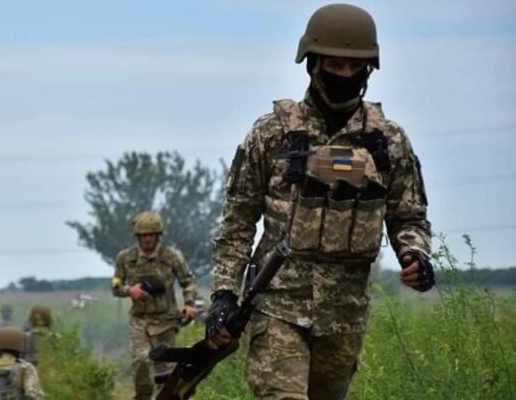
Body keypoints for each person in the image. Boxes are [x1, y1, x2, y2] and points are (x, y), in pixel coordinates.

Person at [205, 4, 435, 399]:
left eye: (355, 66)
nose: (345, 74)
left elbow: (408, 215)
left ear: (369, 69)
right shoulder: (271, 135)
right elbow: (237, 223)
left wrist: (415, 255)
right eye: (335, 64)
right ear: (313, 64)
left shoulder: (388, 142)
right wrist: (224, 294)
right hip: (277, 306)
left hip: (344, 315)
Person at [111, 211, 199, 400]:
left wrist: (190, 303)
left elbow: (188, 281)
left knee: (165, 367)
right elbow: (115, 285)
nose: (148, 239)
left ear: (158, 235)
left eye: (151, 234)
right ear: (138, 236)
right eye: (144, 235)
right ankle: (142, 396)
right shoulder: (125, 258)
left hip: (165, 320)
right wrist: (129, 290)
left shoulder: (172, 256)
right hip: (139, 320)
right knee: (141, 359)